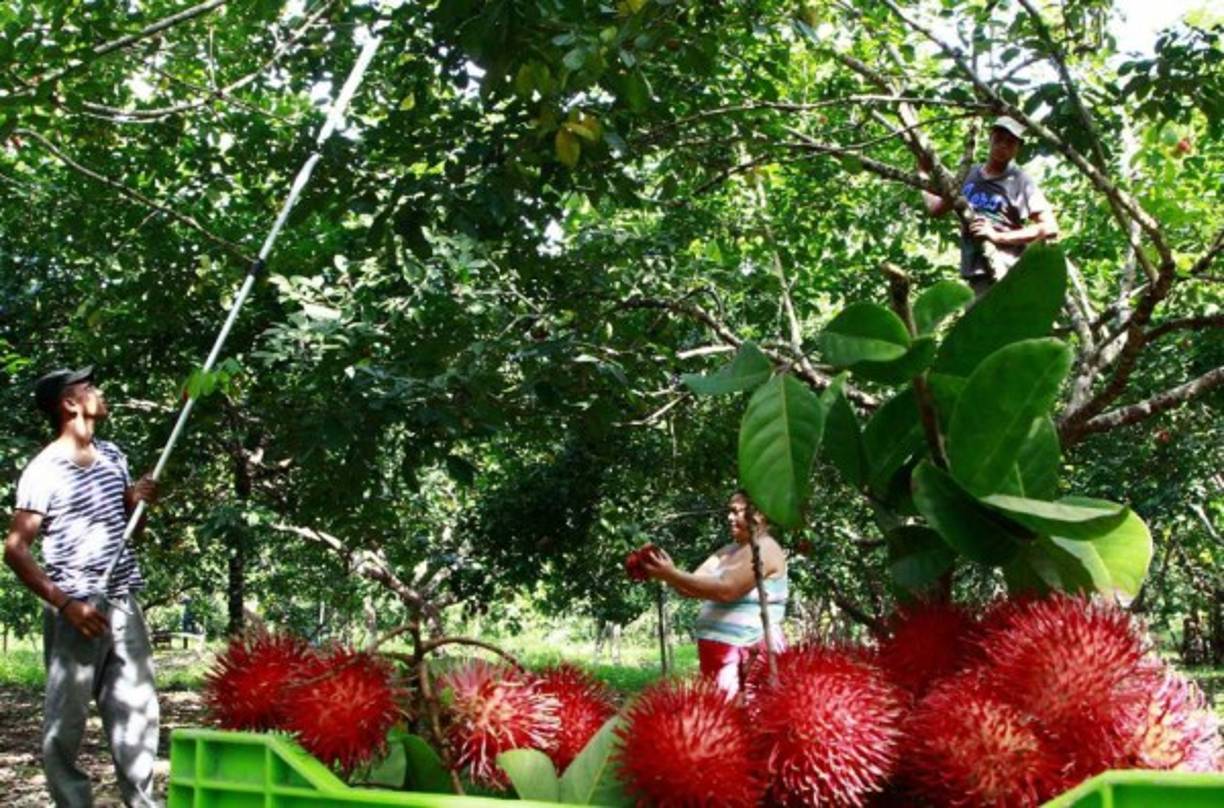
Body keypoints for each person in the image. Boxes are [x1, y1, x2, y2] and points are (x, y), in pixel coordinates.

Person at [3, 366, 161, 807]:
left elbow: (132, 531)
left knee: (138, 712)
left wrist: (136, 503)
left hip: (123, 601)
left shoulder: (113, 455)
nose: (99, 391)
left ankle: (142, 803)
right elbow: (15, 550)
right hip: (76, 607)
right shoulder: (44, 470)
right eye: (88, 387)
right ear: (69, 403)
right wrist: (67, 605)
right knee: (65, 725)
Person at [641, 490, 787, 698]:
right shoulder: (728, 551)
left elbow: (728, 590)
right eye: (729, 511)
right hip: (719, 659)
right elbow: (688, 586)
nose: (729, 517)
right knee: (722, 715)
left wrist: (671, 574)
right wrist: (662, 569)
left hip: (748, 655)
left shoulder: (765, 547)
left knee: (746, 714)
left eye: (736, 511)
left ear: (759, 514)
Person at [919, 116, 1060, 295]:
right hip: (977, 271)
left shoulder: (1019, 180)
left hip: (1008, 270)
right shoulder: (968, 174)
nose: (1003, 145)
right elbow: (936, 209)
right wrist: (922, 172)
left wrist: (998, 236)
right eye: (999, 139)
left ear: (1018, 148)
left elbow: (1050, 228)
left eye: (1010, 142)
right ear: (990, 138)